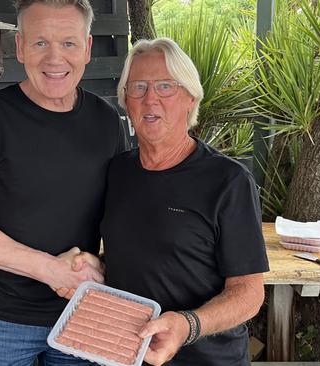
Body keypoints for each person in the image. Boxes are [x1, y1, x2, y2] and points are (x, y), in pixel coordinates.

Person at [0, 0, 126, 364]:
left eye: (68, 43)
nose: (55, 59)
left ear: (87, 49)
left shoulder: (106, 121)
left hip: (81, 309)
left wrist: (98, 264)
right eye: (41, 43)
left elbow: (118, 214)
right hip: (1, 320)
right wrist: (50, 269)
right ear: (20, 47)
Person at [100, 38, 269, 366]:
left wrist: (187, 325)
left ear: (190, 98)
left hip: (208, 359)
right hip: (128, 354)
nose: (150, 99)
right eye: (138, 87)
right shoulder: (116, 172)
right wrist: (92, 267)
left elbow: (249, 292)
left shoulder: (227, 181)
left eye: (165, 86)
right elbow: (134, 258)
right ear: (125, 101)